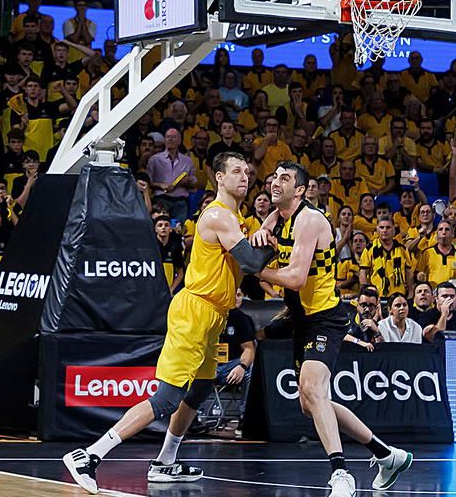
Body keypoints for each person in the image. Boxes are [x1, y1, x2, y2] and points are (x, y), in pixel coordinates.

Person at [63, 151, 274, 491]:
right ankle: (89, 456)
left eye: (247, 172)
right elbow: (250, 262)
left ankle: (164, 461)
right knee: (166, 398)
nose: (244, 177)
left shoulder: (236, 217)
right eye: (236, 171)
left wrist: (267, 227)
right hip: (195, 312)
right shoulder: (219, 215)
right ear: (219, 178)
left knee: (201, 387)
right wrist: (273, 240)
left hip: (215, 315)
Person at [257, 163, 414, 496]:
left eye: (285, 178)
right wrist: (261, 231)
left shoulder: (310, 220)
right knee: (311, 403)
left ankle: (341, 474)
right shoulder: (279, 216)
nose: (275, 182)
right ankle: (387, 455)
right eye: (274, 177)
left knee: (313, 391)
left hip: (325, 318)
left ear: (300, 190)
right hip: (301, 319)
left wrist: (255, 267)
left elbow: (295, 278)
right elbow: (267, 228)